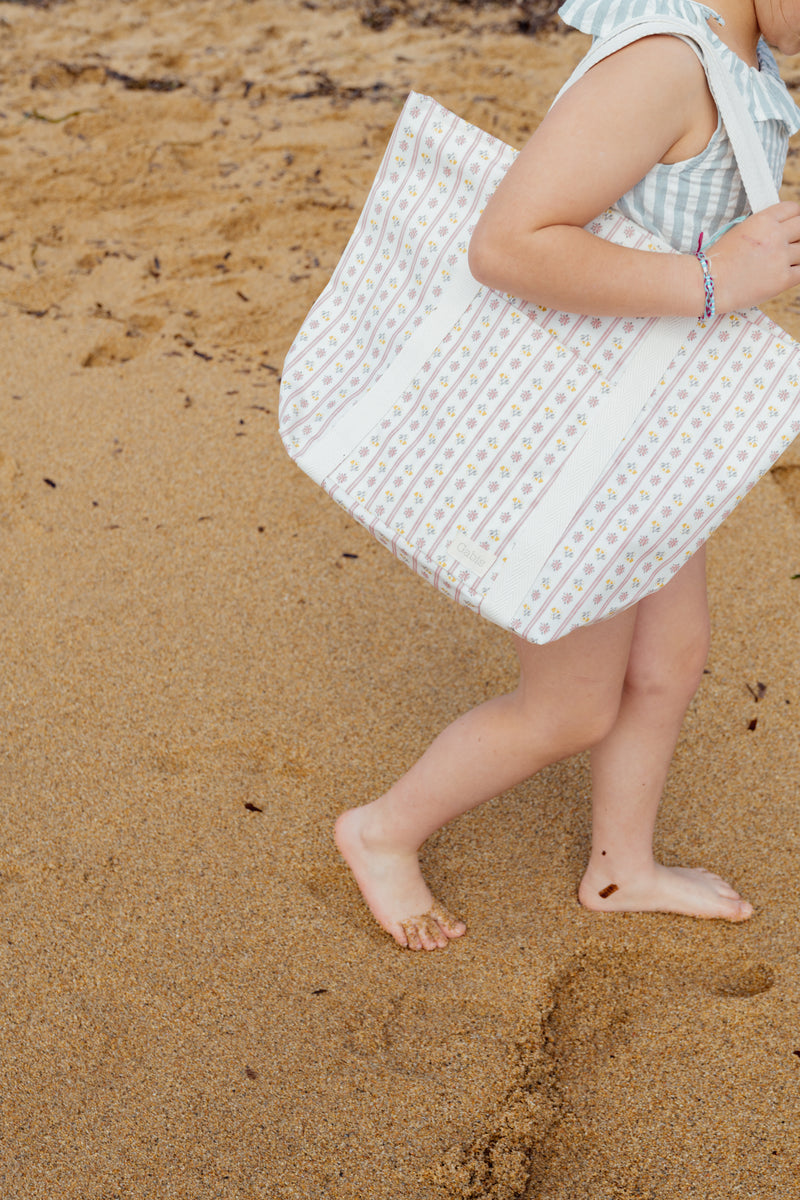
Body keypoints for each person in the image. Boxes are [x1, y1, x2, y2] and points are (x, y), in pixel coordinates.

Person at [334, 0, 800, 950]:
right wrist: (714, 282)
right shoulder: (666, 64)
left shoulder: (744, 59)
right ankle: (383, 830)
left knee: (669, 656)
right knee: (570, 704)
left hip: (641, 429)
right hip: (579, 442)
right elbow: (508, 243)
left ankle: (622, 867)